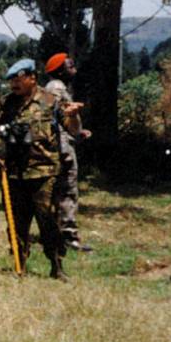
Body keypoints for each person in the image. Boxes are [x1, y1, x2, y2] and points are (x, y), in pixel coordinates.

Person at [0, 59, 81, 281]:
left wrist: (73, 116)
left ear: (32, 78)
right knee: (16, 223)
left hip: (45, 173)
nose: (14, 84)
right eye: (11, 81)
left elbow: (72, 130)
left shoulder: (50, 100)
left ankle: (56, 265)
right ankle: (20, 265)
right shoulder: (8, 104)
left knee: (48, 220)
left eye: (18, 79)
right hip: (16, 173)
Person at [45, 53, 93, 253]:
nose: (74, 68)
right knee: (67, 191)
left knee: (60, 192)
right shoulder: (56, 88)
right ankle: (68, 237)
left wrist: (78, 131)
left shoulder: (59, 87)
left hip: (62, 143)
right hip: (62, 148)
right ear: (59, 70)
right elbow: (51, 116)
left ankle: (58, 233)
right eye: (70, 65)